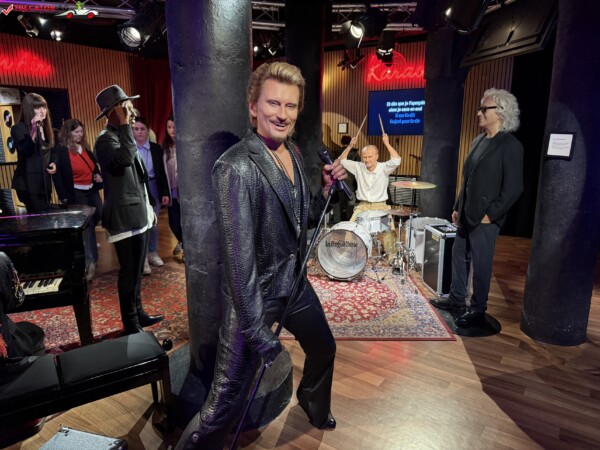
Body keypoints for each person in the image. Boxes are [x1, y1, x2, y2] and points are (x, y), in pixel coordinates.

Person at [176, 62, 347, 449]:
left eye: (290, 105)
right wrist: (257, 333)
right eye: (273, 103)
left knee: (324, 348)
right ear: (253, 107)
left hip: (294, 284)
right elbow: (239, 264)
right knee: (222, 403)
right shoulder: (234, 167)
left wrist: (324, 192)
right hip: (253, 297)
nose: (282, 114)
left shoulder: (294, 152)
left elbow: (301, 222)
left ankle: (313, 402)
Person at [430, 88, 523, 331]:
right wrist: (457, 206)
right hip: (466, 213)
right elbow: (468, 179)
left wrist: (491, 214)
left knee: (481, 265)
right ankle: (456, 299)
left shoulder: (510, 145)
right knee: (459, 256)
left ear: (500, 112)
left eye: (484, 109)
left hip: (485, 219)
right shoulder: (478, 140)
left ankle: (478, 309)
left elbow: (514, 188)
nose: (479, 112)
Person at [93, 85, 164, 335]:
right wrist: (124, 125)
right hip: (123, 217)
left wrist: (148, 207)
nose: (131, 112)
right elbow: (123, 159)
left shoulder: (123, 136)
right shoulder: (105, 140)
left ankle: (139, 313)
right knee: (129, 272)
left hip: (138, 212)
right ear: (113, 111)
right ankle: (130, 322)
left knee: (137, 272)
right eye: (125, 107)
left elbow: (139, 178)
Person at [53, 119, 103, 282]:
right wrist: (63, 195)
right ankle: (90, 262)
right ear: (68, 133)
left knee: (99, 215)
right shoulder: (62, 150)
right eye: (76, 132)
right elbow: (58, 175)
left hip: (91, 190)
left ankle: (91, 255)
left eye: (81, 131)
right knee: (87, 227)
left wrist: (97, 175)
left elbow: (94, 167)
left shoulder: (85, 148)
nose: (80, 135)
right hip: (77, 192)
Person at [133, 117, 170, 274]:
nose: (139, 132)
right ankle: (143, 259)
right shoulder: (130, 149)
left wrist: (165, 192)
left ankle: (152, 252)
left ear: (148, 131)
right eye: (136, 129)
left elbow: (162, 172)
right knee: (141, 224)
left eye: (142, 129)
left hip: (154, 186)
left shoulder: (156, 149)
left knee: (153, 222)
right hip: (138, 188)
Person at [10, 93, 57, 213]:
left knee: (47, 216)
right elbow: (26, 151)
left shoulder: (47, 129)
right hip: (28, 182)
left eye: (44, 107)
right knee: (37, 217)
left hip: (44, 181)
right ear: (29, 109)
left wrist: (54, 163)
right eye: (37, 107)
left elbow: (52, 151)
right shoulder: (18, 129)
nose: (42, 111)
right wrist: (33, 130)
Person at [338, 133, 401, 222]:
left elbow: (396, 160)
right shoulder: (358, 167)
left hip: (381, 207)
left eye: (370, 157)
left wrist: (387, 143)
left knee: (386, 231)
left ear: (376, 156)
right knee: (352, 229)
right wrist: (350, 146)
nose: (367, 160)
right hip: (362, 206)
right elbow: (341, 160)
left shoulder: (384, 168)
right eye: (365, 157)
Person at [161, 116, 183, 257]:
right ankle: (183, 242)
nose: (172, 130)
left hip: (184, 192)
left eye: (174, 127)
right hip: (171, 191)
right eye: (169, 127)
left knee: (185, 222)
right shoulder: (164, 147)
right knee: (173, 222)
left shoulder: (184, 145)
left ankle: (187, 249)